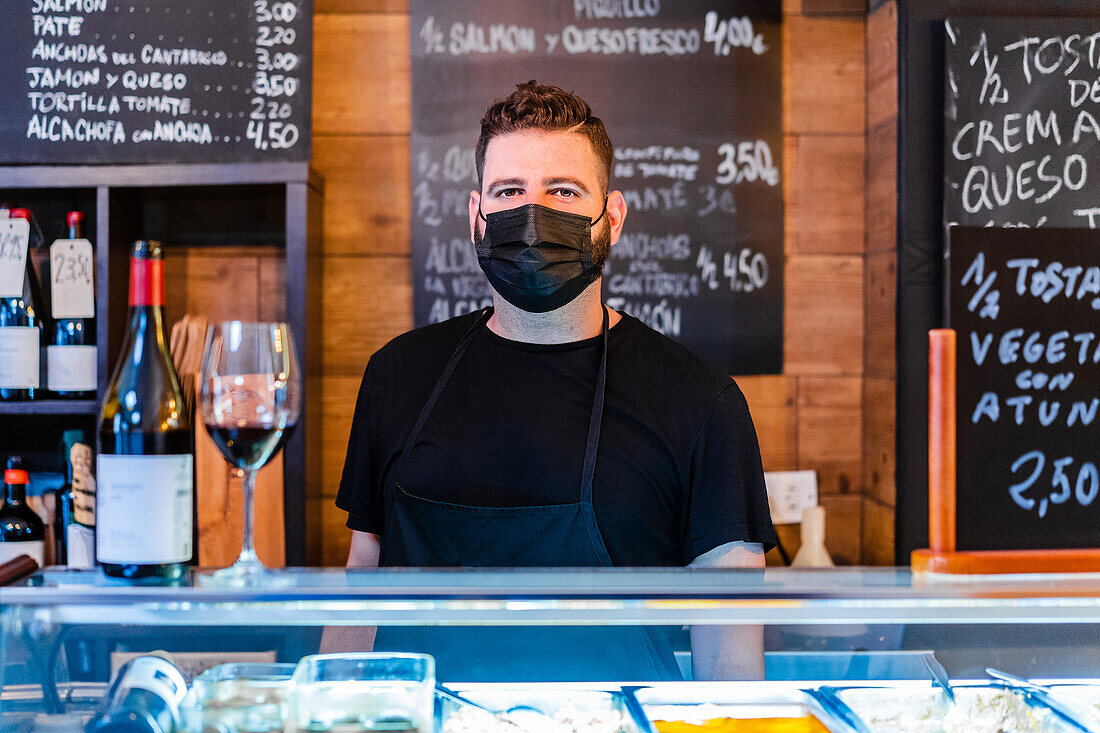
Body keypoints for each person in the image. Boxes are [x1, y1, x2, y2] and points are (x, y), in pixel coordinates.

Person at [323, 80, 777, 680]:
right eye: (509, 191)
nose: (533, 218)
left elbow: (729, 652)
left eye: (563, 192)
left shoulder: (699, 402)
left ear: (611, 216)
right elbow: (365, 580)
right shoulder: (399, 375)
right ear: (476, 216)